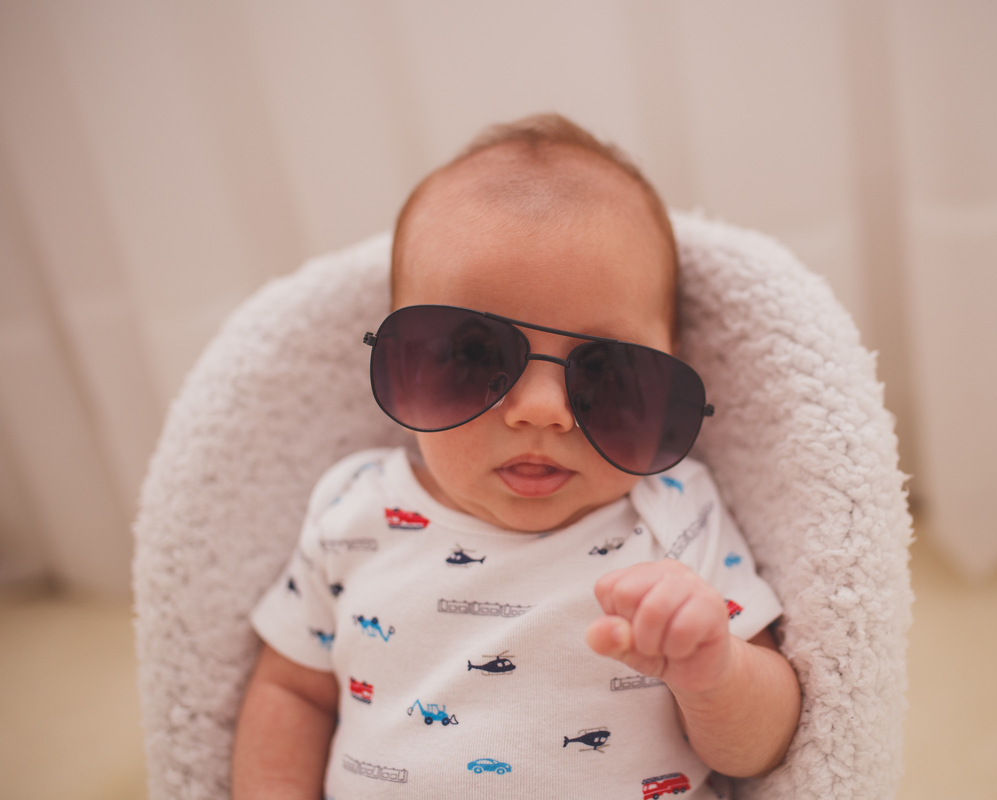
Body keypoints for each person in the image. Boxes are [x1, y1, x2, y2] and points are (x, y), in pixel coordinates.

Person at [232, 114, 801, 799]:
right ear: (403, 363)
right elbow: (292, 692)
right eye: (471, 356)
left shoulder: (675, 510)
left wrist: (716, 673)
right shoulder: (352, 510)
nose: (542, 409)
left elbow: (760, 751)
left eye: (606, 371)